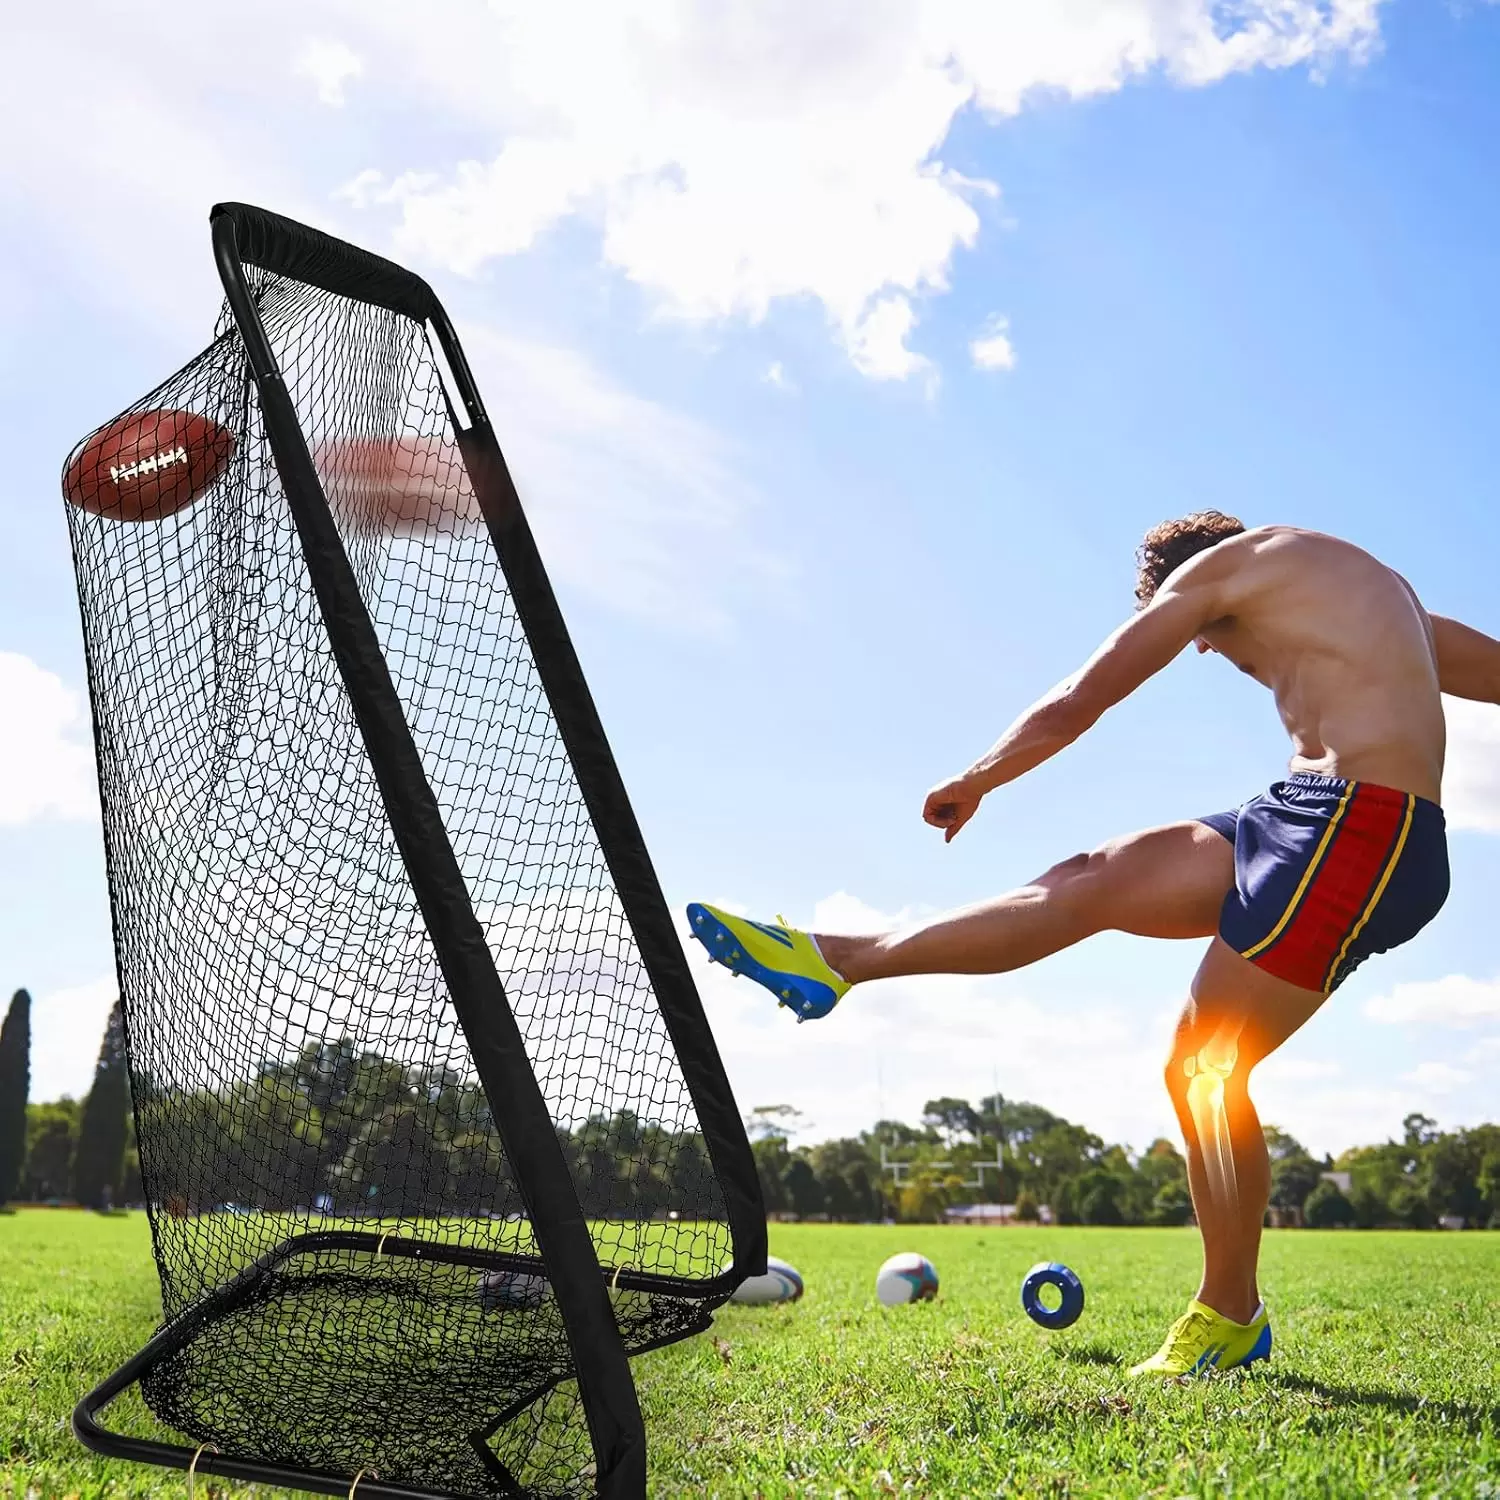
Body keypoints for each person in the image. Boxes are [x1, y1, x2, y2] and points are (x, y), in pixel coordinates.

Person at [688, 515, 1500, 1377]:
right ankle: (838, 958)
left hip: (1362, 831)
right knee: (1091, 878)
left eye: (1206, 641)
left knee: (1204, 1066)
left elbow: (1087, 695)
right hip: (1299, 811)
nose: (1212, 654)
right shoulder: (1367, 589)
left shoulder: (1228, 568)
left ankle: (1231, 1313)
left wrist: (979, 775)